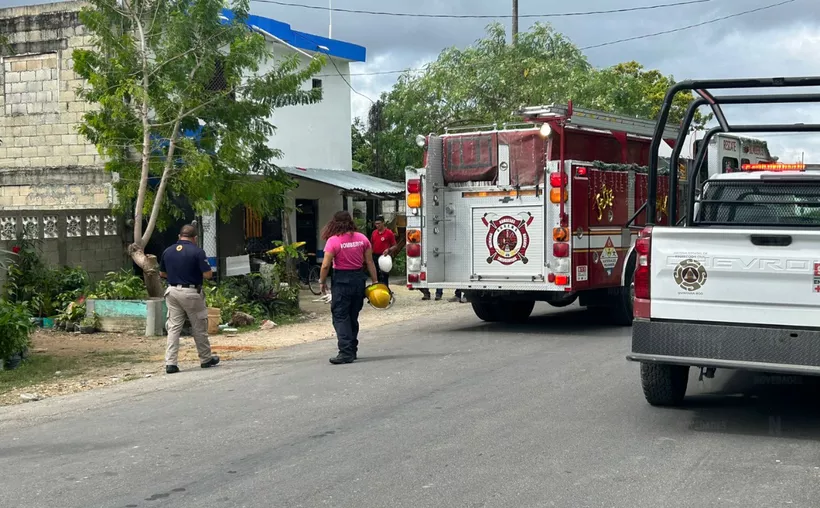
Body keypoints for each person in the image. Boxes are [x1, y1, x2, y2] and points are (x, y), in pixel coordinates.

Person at [319, 211, 379, 365]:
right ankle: (352, 349)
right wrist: (375, 281)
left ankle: (345, 352)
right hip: (358, 280)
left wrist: (322, 281)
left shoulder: (333, 241)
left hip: (342, 281)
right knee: (352, 316)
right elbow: (370, 262)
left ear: (334, 223)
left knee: (340, 316)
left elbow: (326, 265)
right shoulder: (362, 239)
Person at [159, 224, 220, 374]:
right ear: (195, 238)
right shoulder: (198, 252)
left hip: (172, 292)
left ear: (179, 237)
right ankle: (205, 359)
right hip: (191, 292)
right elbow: (208, 275)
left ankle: (171, 363)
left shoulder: (168, 251)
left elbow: (162, 274)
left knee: (173, 327)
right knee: (199, 326)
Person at [370, 215, 396, 291]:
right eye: (376, 224)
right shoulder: (374, 233)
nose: (377, 225)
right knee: (375, 274)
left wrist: (388, 250)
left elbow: (395, 246)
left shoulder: (389, 233)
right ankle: (377, 291)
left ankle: (386, 291)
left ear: (383, 223)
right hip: (375, 256)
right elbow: (371, 245)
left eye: (379, 223)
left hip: (384, 257)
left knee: (384, 275)